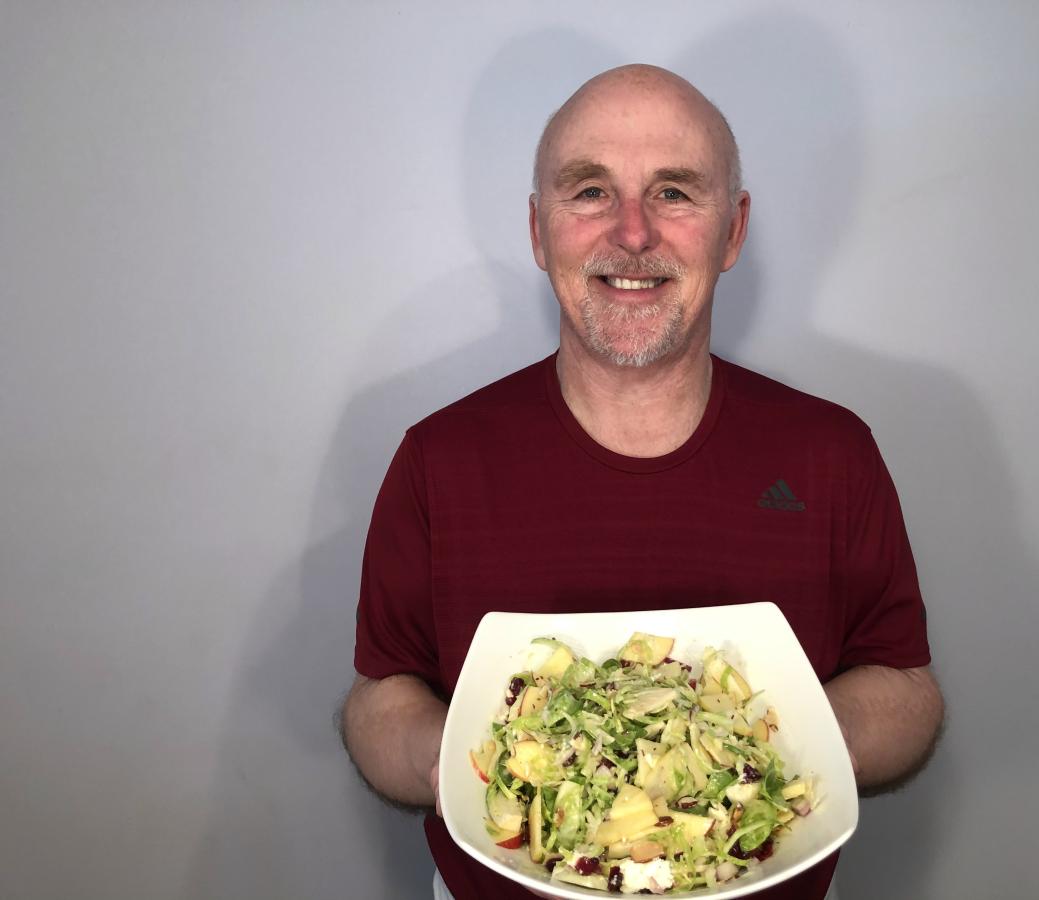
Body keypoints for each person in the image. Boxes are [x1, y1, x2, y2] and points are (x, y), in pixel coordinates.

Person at [340, 64, 944, 900]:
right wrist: (488, 772)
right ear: (538, 229)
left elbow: (906, 684)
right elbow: (380, 696)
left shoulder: (831, 454)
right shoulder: (438, 458)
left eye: (674, 193)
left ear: (731, 233)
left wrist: (771, 741)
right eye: (589, 191)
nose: (631, 233)